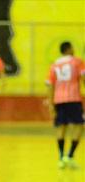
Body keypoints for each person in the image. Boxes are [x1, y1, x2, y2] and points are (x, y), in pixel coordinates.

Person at [46, 41, 85, 169]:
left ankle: (61, 157)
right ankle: (70, 155)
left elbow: (50, 85)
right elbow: (83, 78)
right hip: (73, 98)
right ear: (68, 49)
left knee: (61, 127)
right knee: (79, 126)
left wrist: (51, 103)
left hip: (58, 99)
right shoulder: (77, 62)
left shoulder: (54, 65)